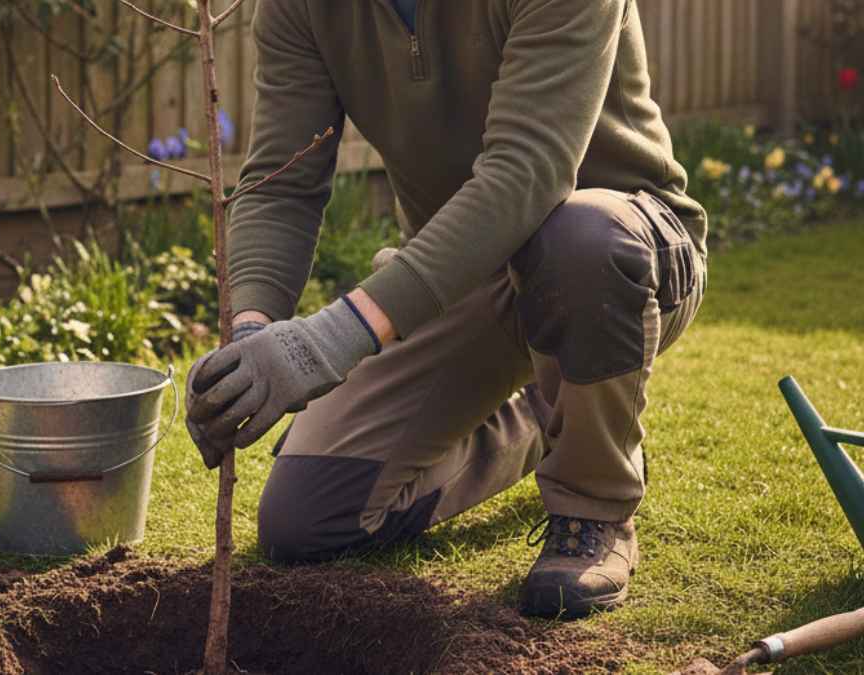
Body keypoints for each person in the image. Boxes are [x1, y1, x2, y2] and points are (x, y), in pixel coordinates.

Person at [185, 0, 706, 619]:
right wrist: (253, 330)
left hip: (620, 257)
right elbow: (281, 181)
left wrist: (325, 341)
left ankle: (593, 508)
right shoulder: (299, 8)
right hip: (465, 276)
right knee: (307, 515)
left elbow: (527, 172)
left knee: (581, 236)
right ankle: (552, 415)